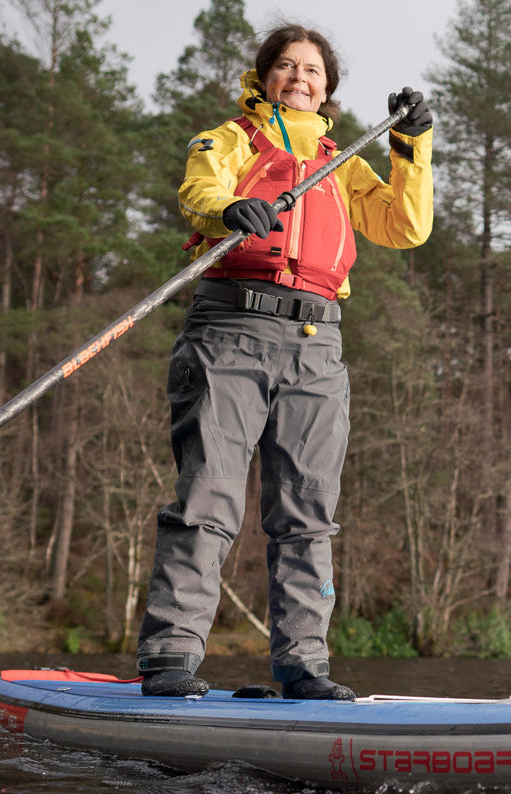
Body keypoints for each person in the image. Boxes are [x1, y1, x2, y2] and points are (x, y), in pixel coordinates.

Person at [136, 24, 433, 700]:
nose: (300, 79)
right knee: (207, 497)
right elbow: (198, 193)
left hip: (317, 347)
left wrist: (411, 145)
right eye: (287, 67)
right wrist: (228, 208)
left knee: (307, 511)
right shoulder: (230, 140)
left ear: (327, 90)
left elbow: (405, 226)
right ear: (264, 77)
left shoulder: (343, 161)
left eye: (313, 72)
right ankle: (171, 658)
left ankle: (303, 667)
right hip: (230, 329)